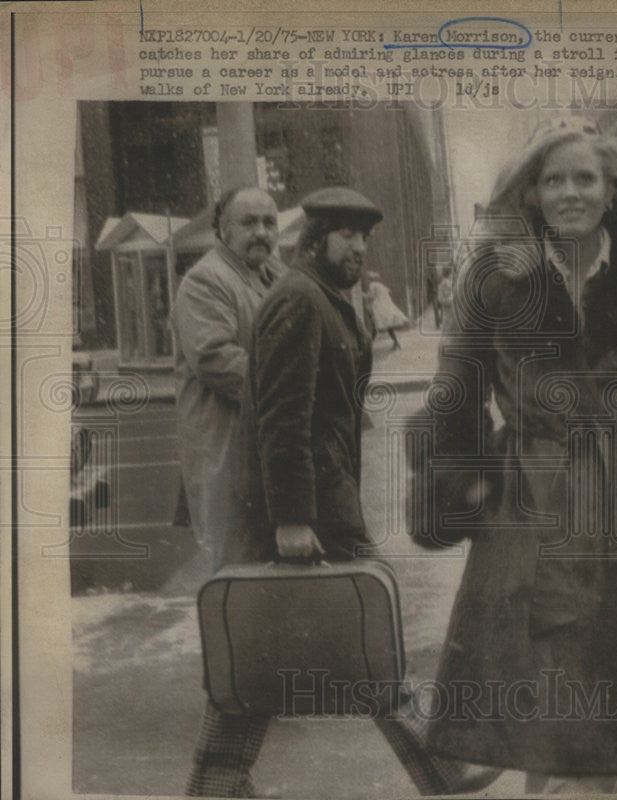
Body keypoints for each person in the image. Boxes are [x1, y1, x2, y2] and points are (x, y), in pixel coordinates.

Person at [407, 117, 617, 793]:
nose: (569, 193)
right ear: (530, 194)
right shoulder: (495, 276)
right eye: (551, 180)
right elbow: (456, 391)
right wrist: (467, 485)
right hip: (532, 509)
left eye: (584, 177)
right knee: (550, 716)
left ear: (610, 187)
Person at [186, 187, 501, 798]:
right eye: (346, 236)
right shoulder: (299, 300)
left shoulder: (325, 295)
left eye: (364, 237)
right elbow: (281, 417)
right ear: (315, 238)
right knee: (334, 631)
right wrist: (293, 519)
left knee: (278, 643)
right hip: (306, 507)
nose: (358, 248)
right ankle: (440, 765)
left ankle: (217, 784)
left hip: (326, 495)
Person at [172, 186, 282, 569]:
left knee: (273, 574)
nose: (262, 232)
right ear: (223, 228)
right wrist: (293, 391)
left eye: (269, 222)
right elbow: (216, 358)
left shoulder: (271, 274)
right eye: (249, 222)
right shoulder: (206, 280)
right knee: (240, 574)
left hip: (262, 449)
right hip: (228, 454)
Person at [365, 271, 409, 350]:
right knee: (388, 326)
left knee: (375, 326)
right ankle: (396, 342)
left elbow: (371, 296)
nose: (369, 280)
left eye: (370, 278)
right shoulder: (382, 286)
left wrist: (364, 296)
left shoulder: (373, 285)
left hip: (378, 307)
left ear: (372, 279)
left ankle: (369, 346)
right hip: (385, 307)